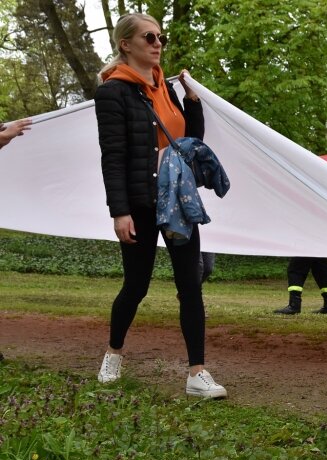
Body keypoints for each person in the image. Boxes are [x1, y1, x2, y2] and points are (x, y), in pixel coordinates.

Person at [93, 12, 226, 398]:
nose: (158, 43)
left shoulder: (164, 88)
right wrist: (119, 211)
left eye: (161, 37)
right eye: (149, 37)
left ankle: (196, 374)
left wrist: (193, 101)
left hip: (177, 203)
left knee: (191, 286)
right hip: (138, 204)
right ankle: (114, 353)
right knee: (136, 286)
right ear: (126, 44)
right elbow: (112, 157)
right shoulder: (112, 92)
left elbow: (187, 143)